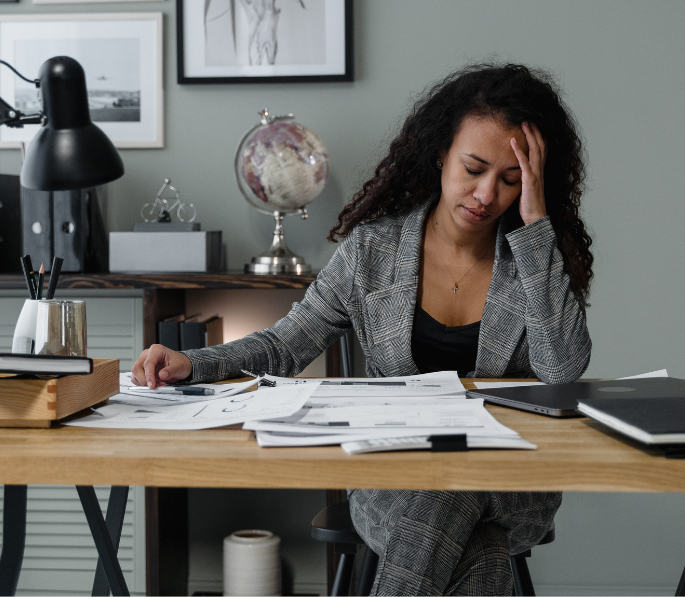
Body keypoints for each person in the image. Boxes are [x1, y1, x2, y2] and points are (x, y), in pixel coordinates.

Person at [131, 63, 594, 596]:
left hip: (510, 481)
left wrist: (536, 229)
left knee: (452, 493)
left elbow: (562, 369)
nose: (486, 194)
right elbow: (287, 344)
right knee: (476, 546)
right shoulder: (372, 251)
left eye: (510, 180)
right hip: (393, 475)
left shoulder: (536, 258)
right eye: (473, 168)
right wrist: (197, 363)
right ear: (442, 152)